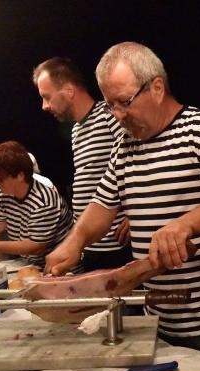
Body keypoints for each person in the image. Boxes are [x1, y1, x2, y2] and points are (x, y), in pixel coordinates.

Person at [45, 42, 200, 355]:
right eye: (111, 105)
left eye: (125, 102)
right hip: (158, 322)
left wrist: (187, 224)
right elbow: (102, 205)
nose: (118, 116)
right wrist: (75, 240)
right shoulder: (125, 147)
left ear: (156, 87)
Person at [33, 57, 131, 271]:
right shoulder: (77, 130)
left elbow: (138, 157)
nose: (44, 106)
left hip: (116, 246)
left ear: (68, 91)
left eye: (46, 97)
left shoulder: (109, 116)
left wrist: (136, 214)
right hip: (90, 245)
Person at [0, 141, 75, 270]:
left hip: (62, 268)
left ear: (20, 175)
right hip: (34, 265)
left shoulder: (43, 201)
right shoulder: (6, 194)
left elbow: (36, 247)